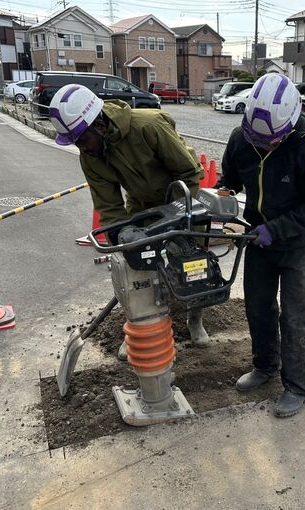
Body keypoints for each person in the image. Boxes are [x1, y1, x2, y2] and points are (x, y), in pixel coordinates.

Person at [47, 83, 210, 356]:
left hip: (179, 197)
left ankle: (195, 319)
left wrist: (172, 220)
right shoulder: (90, 157)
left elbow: (189, 173)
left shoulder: (149, 126)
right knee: (136, 267)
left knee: (192, 264)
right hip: (141, 206)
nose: (81, 148)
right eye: (75, 143)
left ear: (99, 125)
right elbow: (108, 206)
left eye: (83, 140)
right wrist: (124, 240)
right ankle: (141, 324)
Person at [218, 74, 305, 418]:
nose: (264, 147)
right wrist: (223, 199)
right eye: (259, 140)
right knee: (258, 307)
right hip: (257, 241)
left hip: (296, 246)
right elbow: (230, 180)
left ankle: (297, 386)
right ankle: (265, 365)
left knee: (295, 317)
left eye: (271, 142)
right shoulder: (241, 139)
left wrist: (277, 229)